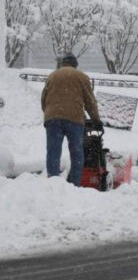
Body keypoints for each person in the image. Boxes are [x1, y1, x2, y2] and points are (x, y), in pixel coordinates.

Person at [41, 52, 101, 186]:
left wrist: (51, 113)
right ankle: (75, 184)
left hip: (53, 118)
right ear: (75, 65)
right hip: (74, 119)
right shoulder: (81, 76)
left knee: (53, 151)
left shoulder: (52, 76)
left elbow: (44, 99)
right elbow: (90, 101)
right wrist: (96, 119)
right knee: (76, 152)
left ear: (63, 63)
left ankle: (52, 184)